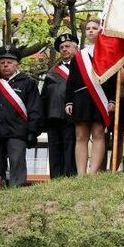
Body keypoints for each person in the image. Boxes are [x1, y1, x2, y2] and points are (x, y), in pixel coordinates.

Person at [0, 46, 42, 188]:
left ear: (16, 64)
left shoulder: (28, 82)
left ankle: (17, 193)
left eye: (9, 62)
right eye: (2, 62)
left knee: (17, 164)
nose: (5, 65)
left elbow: (35, 108)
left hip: (17, 131)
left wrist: (33, 131)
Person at [66, 20, 118, 174]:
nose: (90, 31)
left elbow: (113, 79)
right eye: (87, 28)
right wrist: (68, 101)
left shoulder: (108, 53)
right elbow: (71, 80)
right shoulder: (79, 56)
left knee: (98, 133)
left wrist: (112, 99)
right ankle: (81, 174)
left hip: (100, 99)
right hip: (81, 98)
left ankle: (93, 172)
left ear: (100, 31)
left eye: (94, 28)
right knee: (81, 135)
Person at [40, 33, 78, 178]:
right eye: (61, 47)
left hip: (73, 117)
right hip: (53, 117)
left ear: (76, 47)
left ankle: (70, 176)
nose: (64, 49)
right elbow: (44, 97)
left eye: (67, 46)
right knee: (55, 150)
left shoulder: (82, 67)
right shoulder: (51, 72)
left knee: (71, 148)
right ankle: (55, 177)